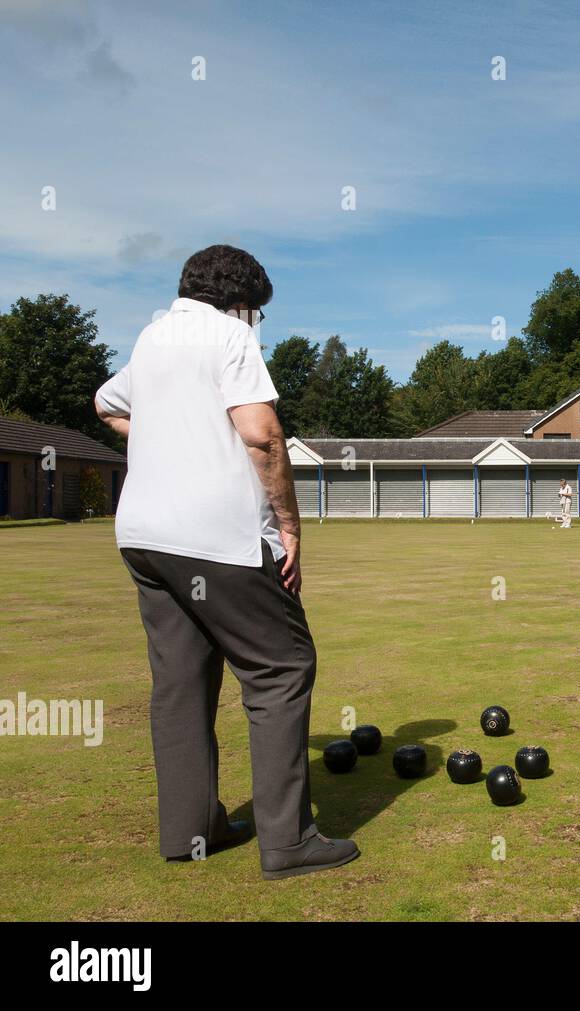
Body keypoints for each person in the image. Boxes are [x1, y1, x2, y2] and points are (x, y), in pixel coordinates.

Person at [94, 244, 359, 880]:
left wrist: (172, 431)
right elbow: (263, 434)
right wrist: (290, 525)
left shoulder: (151, 338)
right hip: (218, 537)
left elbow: (107, 406)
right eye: (253, 312)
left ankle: (192, 831)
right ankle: (289, 843)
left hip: (143, 537)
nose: (253, 322)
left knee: (181, 682)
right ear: (238, 302)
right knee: (281, 666)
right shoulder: (229, 337)